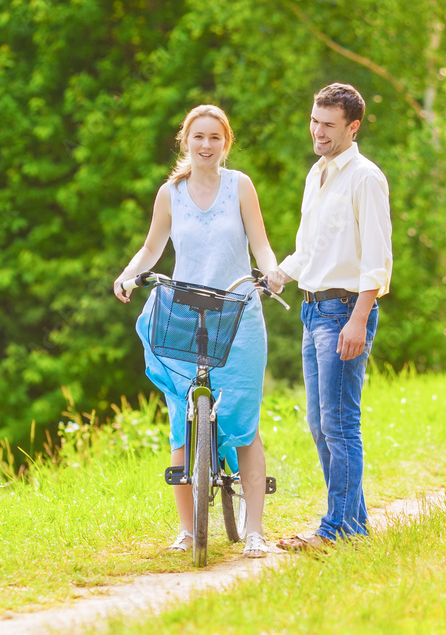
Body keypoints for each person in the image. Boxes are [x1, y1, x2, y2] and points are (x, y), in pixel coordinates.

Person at [113, 105, 281, 558]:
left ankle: (256, 533)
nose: (206, 145)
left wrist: (271, 271)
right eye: (198, 137)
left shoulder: (240, 186)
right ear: (185, 140)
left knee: (245, 424)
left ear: (226, 143)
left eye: (215, 138)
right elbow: (153, 246)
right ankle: (188, 531)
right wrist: (127, 275)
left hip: (238, 314)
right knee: (182, 424)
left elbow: (261, 243)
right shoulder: (170, 193)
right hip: (186, 315)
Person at [266, 83, 393, 551]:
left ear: (352, 127)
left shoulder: (365, 178)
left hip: (344, 311)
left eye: (329, 125)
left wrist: (358, 319)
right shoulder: (315, 175)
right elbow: (310, 249)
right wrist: (276, 275)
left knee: (340, 424)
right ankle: (353, 527)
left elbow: (377, 260)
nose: (318, 132)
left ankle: (335, 530)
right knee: (320, 425)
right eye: (315, 121)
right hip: (311, 308)